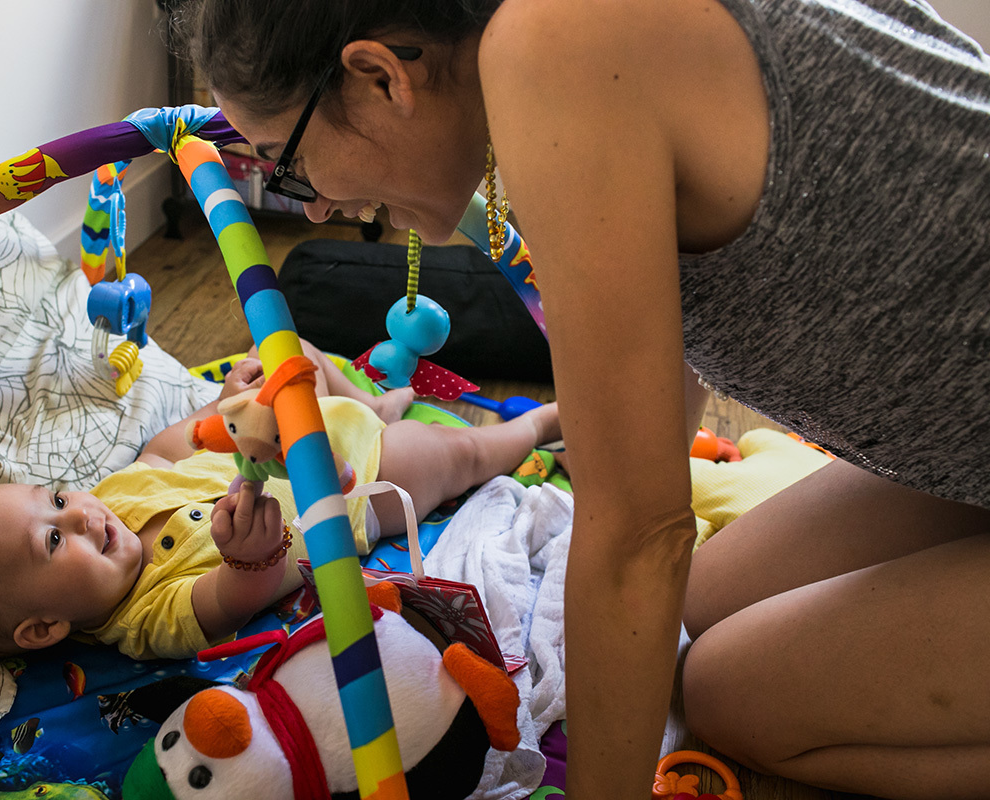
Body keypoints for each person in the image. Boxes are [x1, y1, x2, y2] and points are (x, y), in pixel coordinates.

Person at [176, 0, 990, 797]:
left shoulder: (559, 43)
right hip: (955, 442)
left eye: (289, 162)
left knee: (726, 694)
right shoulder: (563, 53)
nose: (313, 205)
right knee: (699, 604)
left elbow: (638, 531)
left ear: (381, 76)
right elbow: (650, 461)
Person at [0, 342, 561, 661]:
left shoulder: (111, 500)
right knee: (447, 451)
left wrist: (222, 408)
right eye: (52, 542)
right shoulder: (142, 620)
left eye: (54, 500)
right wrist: (249, 561)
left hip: (298, 426)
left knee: (291, 352)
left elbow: (167, 449)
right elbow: (231, 597)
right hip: (356, 483)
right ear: (44, 628)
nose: (78, 515)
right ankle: (537, 425)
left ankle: (369, 400)